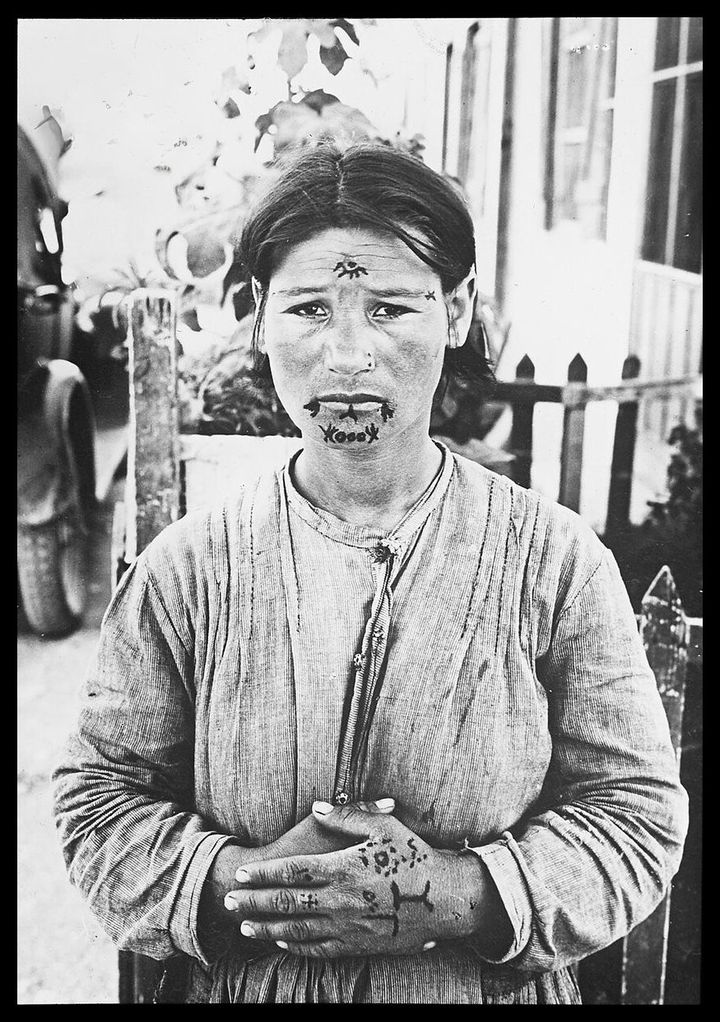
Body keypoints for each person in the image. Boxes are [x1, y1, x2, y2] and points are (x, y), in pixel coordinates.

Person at [53, 141, 688, 1004]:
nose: (348, 354)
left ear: (458, 310)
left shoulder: (556, 563)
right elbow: (100, 804)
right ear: (255, 317)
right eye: (310, 308)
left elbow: (637, 816)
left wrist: (460, 895)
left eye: (391, 307)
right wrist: (233, 882)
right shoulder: (186, 573)